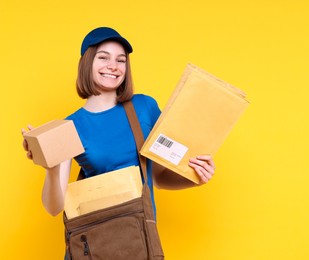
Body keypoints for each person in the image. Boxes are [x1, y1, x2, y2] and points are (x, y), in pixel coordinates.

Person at [21, 27, 216, 219]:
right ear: (87, 63)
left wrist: (195, 178)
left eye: (120, 60)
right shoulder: (70, 126)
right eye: (103, 57)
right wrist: (52, 170)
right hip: (99, 240)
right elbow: (54, 208)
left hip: (141, 239)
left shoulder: (145, 107)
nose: (113, 66)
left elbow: (156, 177)